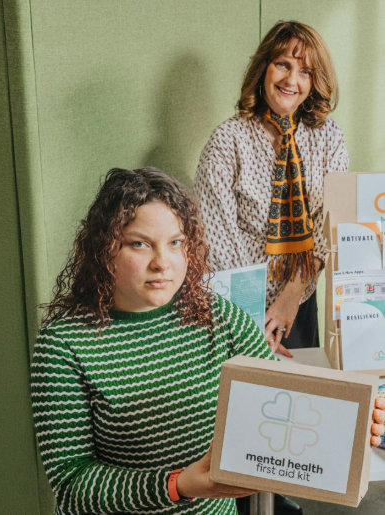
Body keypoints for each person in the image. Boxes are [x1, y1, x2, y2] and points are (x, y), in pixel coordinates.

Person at [31, 167, 385, 515]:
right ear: (104, 249)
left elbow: (285, 402)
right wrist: (178, 485)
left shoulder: (217, 315)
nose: (162, 263)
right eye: (139, 244)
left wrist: (354, 420)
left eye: (175, 243)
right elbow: (71, 483)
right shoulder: (63, 344)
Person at [194, 21, 347, 357]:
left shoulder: (329, 136)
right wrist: (252, 326)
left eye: (305, 71)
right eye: (283, 64)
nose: (292, 80)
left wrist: (291, 297)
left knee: (304, 400)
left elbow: (329, 223)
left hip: (300, 302)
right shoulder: (227, 142)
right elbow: (218, 243)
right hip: (236, 310)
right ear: (263, 67)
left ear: (314, 82)